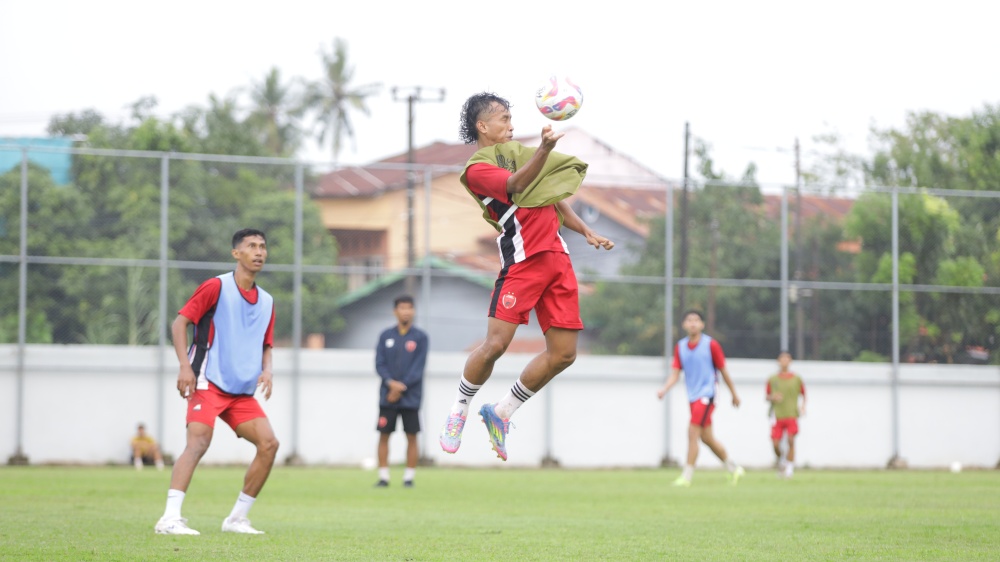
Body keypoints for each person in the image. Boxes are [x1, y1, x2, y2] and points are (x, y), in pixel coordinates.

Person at [438, 92, 615, 461]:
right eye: (503, 118)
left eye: (510, 118)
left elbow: (550, 195)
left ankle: (501, 412)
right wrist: (544, 150)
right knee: (496, 346)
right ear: (482, 126)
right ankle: (460, 407)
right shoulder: (477, 168)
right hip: (522, 263)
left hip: (557, 260)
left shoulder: (519, 152)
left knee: (564, 355)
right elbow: (518, 185)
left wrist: (585, 231)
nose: (511, 125)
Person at [154, 228, 279, 536]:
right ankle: (169, 519)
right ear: (236, 253)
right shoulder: (216, 286)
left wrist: (268, 369)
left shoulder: (267, 301)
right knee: (198, 442)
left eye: (262, 246)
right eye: (251, 246)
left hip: (240, 391)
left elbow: (266, 343)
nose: (259, 251)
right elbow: (179, 323)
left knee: (269, 444)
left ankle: (237, 518)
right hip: (207, 381)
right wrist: (185, 367)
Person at [656, 309, 745, 486]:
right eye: (689, 320)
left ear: (702, 324)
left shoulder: (710, 345)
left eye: (696, 320)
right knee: (707, 438)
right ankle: (734, 468)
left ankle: (686, 476)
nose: (693, 323)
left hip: (708, 395)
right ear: (684, 325)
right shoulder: (680, 347)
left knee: (692, 432)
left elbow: (723, 370)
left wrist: (734, 393)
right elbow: (675, 373)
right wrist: (664, 389)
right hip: (693, 397)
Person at [374, 295, 428, 488]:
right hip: (387, 397)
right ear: (395, 311)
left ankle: (408, 477)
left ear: (413, 311)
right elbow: (379, 365)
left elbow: (418, 368)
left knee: (412, 435)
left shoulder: (421, 338)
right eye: (402, 308)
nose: (405, 311)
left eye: (409, 308)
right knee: (384, 434)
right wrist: (391, 384)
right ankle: (383, 477)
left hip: (410, 397)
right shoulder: (385, 336)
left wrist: (400, 387)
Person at [766, 350, 806, 479]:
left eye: (787, 359)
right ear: (778, 361)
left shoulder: (797, 379)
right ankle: (781, 461)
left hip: (791, 414)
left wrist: (803, 407)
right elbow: (767, 396)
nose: (784, 361)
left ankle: (789, 468)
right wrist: (773, 397)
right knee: (776, 444)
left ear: (790, 361)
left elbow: (804, 394)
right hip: (776, 415)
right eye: (782, 359)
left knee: (791, 440)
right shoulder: (772, 379)